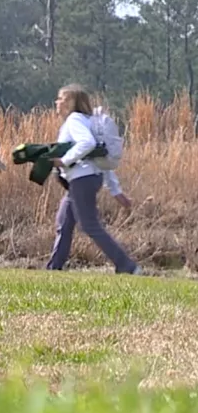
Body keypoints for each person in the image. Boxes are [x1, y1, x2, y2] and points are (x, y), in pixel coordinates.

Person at [45, 84, 141, 274]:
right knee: (64, 222)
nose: (57, 102)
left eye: (61, 98)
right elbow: (99, 158)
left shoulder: (75, 120)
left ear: (71, 102)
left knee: (89, 225)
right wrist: (116, 191)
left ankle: (127, 266)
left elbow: (87, 144)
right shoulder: (87, 121)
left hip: (82, 180)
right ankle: (54, 268)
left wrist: (63, 161)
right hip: (84, 179)